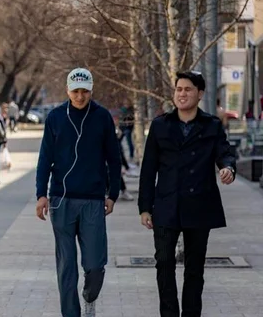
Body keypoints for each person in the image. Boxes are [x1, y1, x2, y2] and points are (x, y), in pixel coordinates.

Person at [138, 71, 236, 317]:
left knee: (194, 269)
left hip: (199, 205)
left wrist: (228, 168)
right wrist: (144, 207)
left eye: (188, 89)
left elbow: (225, 152)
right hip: (165, 205)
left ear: (200, 94)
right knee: (164, 264)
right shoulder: (161, 125)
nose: (182, 94)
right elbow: (148, 169)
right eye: (179, 89)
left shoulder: (211, 125)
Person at [35, 68, 122, 317]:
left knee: (95, 264)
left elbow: (113, 159)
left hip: (93, 200)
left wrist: (112, 194)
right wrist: (41, 194)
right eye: (76, 91)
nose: (80, 96)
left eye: (85, 91)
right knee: (66, 267)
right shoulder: (55, 117)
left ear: (91, 91)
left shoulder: (102, 117)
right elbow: (45, 159)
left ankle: (89, 296)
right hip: (61, 201)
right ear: (67, 91)